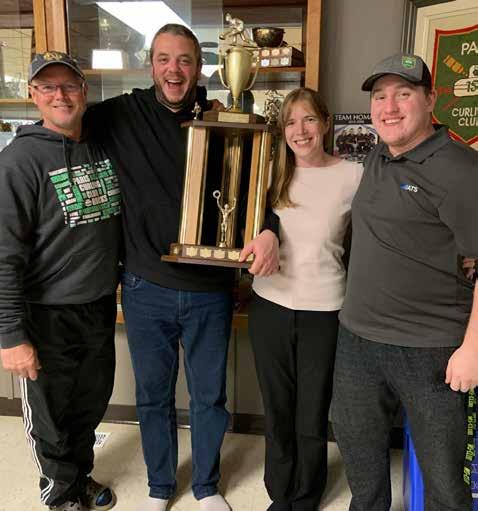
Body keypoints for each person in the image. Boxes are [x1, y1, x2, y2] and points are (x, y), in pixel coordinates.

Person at [85, 24, 279, 511]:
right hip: (144, 285)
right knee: (153, 396)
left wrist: (270, 228)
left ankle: (207, 486)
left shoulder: (222, 119)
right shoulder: (120, 114)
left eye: (185, 60)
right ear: (150, 64)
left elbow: (258, 190)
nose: (174, 70)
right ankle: (160, 485)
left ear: (200, 68)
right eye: (164, 59)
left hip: (210, 290)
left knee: (210, 398)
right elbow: (64, 122)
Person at [330, 53, 478, 511]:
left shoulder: (462, 170)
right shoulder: (377, 154)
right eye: (380, 96)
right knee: (360, 460)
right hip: (357, 341)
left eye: (404, 94)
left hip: (430, 349)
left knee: (444, 482)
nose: (389, 107)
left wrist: (473, 349)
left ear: (431, 100)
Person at [0, 52, 122, 511]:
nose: (60, 95)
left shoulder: (101, 147)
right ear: (33, 95)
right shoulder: (18, 161)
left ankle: (79, 477)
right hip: (44, 314)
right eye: (48, 87)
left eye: (69, 85)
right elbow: (3, 254)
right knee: (49, 415)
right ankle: (60, 493)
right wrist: (11, 335)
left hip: (97, 304)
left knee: (88, 405)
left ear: (84, 92)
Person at [248, 87, 363, 511]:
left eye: (309, 119)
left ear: (326, 124)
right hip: (270, 306)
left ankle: (306, 495)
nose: (301, 130)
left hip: (325, 310)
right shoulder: (269, 173)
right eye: (291, 122)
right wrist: (265, 230)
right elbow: (249, 222)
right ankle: (280, 493)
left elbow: (377, 233)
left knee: (311, 412)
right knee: (277, 408)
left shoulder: (354, 175)